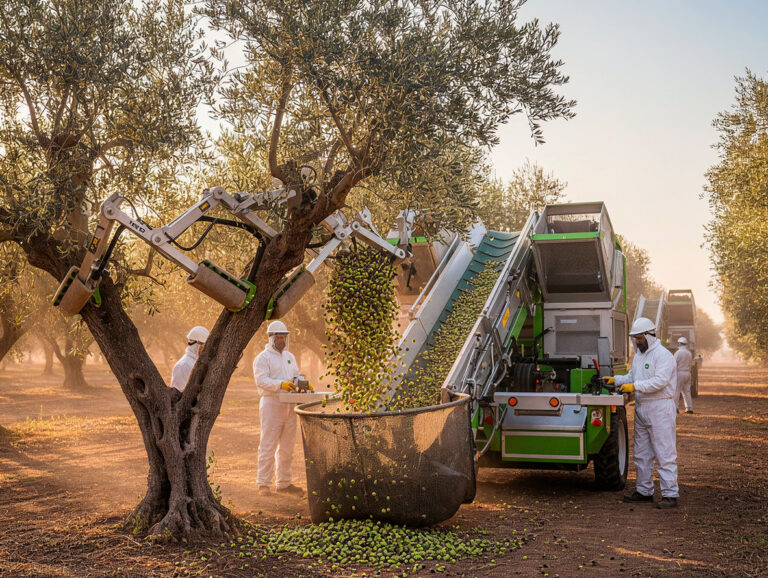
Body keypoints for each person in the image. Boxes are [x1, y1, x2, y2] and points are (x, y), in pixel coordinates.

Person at [603, 317, 679, 509]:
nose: (637, 341)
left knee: (664, 452)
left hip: (660, 408)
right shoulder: (639, 356)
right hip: (642, 408)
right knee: (641, 453)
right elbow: (632, 376)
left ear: (649, 335)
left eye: (639, 338)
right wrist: (616, 380)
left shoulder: (663, 356)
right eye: (634, 338)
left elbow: (659, 381)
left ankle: (670, 494)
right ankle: (644, 491)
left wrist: (633, 386)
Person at [253, 320, 307, 496]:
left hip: (290, 405)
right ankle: (263, 484)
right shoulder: (262, 358)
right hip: (271, 404)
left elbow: (296, 375)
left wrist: (302, 381)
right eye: (279, 337)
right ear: (271, 338)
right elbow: (261, 381)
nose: (282, 340)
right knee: (268, 444)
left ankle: (284, 482)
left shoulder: (289, 357)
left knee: (287, 446)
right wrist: (280, 384)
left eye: (284, 337)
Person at [170, 326, 209, 392]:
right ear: (196, 345)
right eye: (203, 346)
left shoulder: (200, 362)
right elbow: (178, 395)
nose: (206, 349)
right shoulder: (183, 366)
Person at [675, 337, 694, 414]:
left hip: (680, 373)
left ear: (679, 343)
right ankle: (689, 408)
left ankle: (675, 408)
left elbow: (673, 363)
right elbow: (690, 364)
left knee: (676, 391)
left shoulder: (678, 352)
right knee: (687, 391)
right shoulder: (689, 353)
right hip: (688, 373)